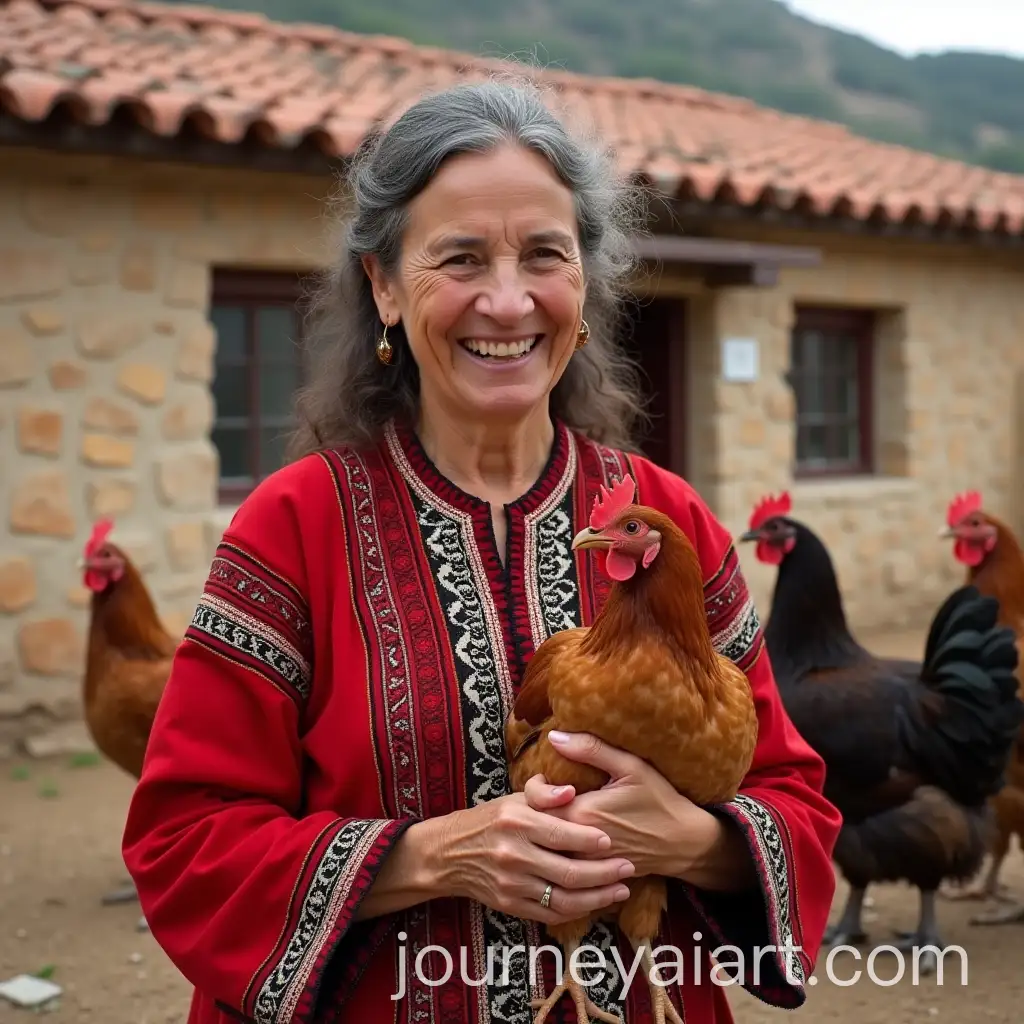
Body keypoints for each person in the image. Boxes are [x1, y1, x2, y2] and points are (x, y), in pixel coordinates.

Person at [122, 77, 841, 1024]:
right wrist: (435, 855)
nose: (507, 302)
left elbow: (794, 797)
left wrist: (694, 841)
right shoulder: (292, 527)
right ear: (382, 284)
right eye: (459, 259)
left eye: (544, 254)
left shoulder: (668, 521)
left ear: (583, 283)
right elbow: (185, 843)